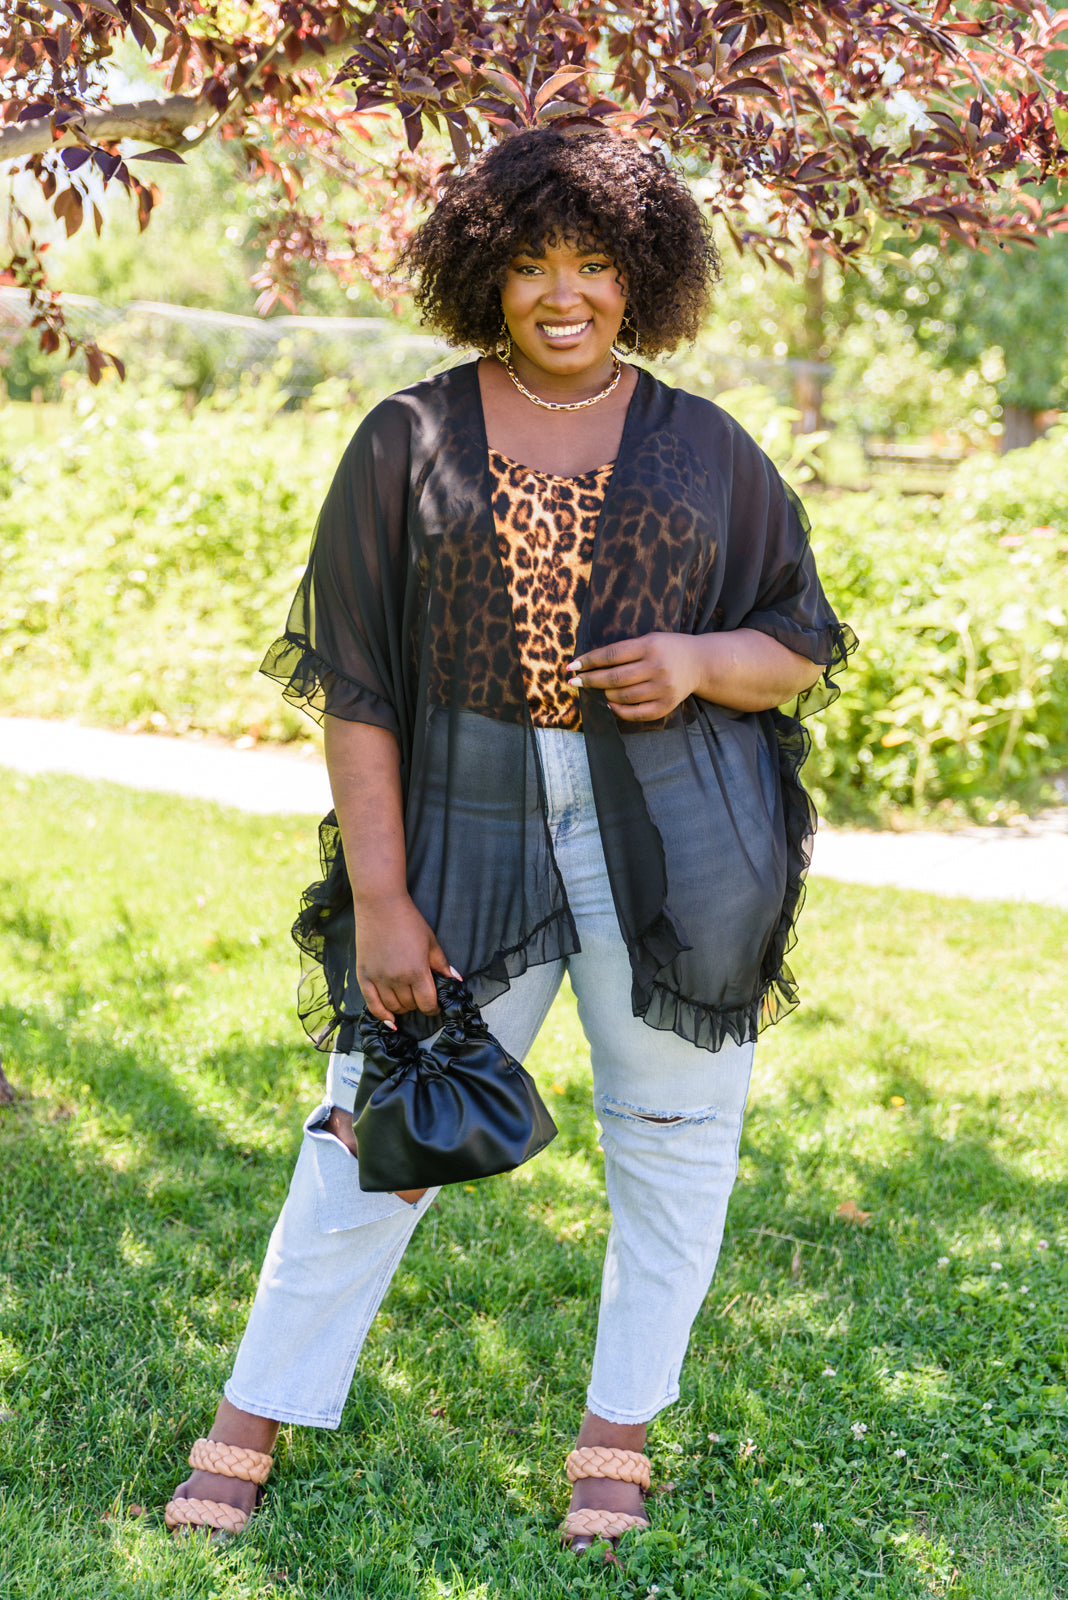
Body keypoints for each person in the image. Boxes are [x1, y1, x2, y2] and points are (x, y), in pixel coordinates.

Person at [165, 126, 854, 1553]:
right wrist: (379, 897)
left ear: (639, 277)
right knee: (378, 1126)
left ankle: (619, 1436)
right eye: (533, 262)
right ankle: (251, 1418)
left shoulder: (705, 447)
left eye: (594, 263)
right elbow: (358, 685)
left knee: (673, 1140)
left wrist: (698, 661)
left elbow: (798, 638)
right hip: (466, 823)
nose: (563, 293)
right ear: (485, 271)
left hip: (675, 839)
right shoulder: (408, 439)